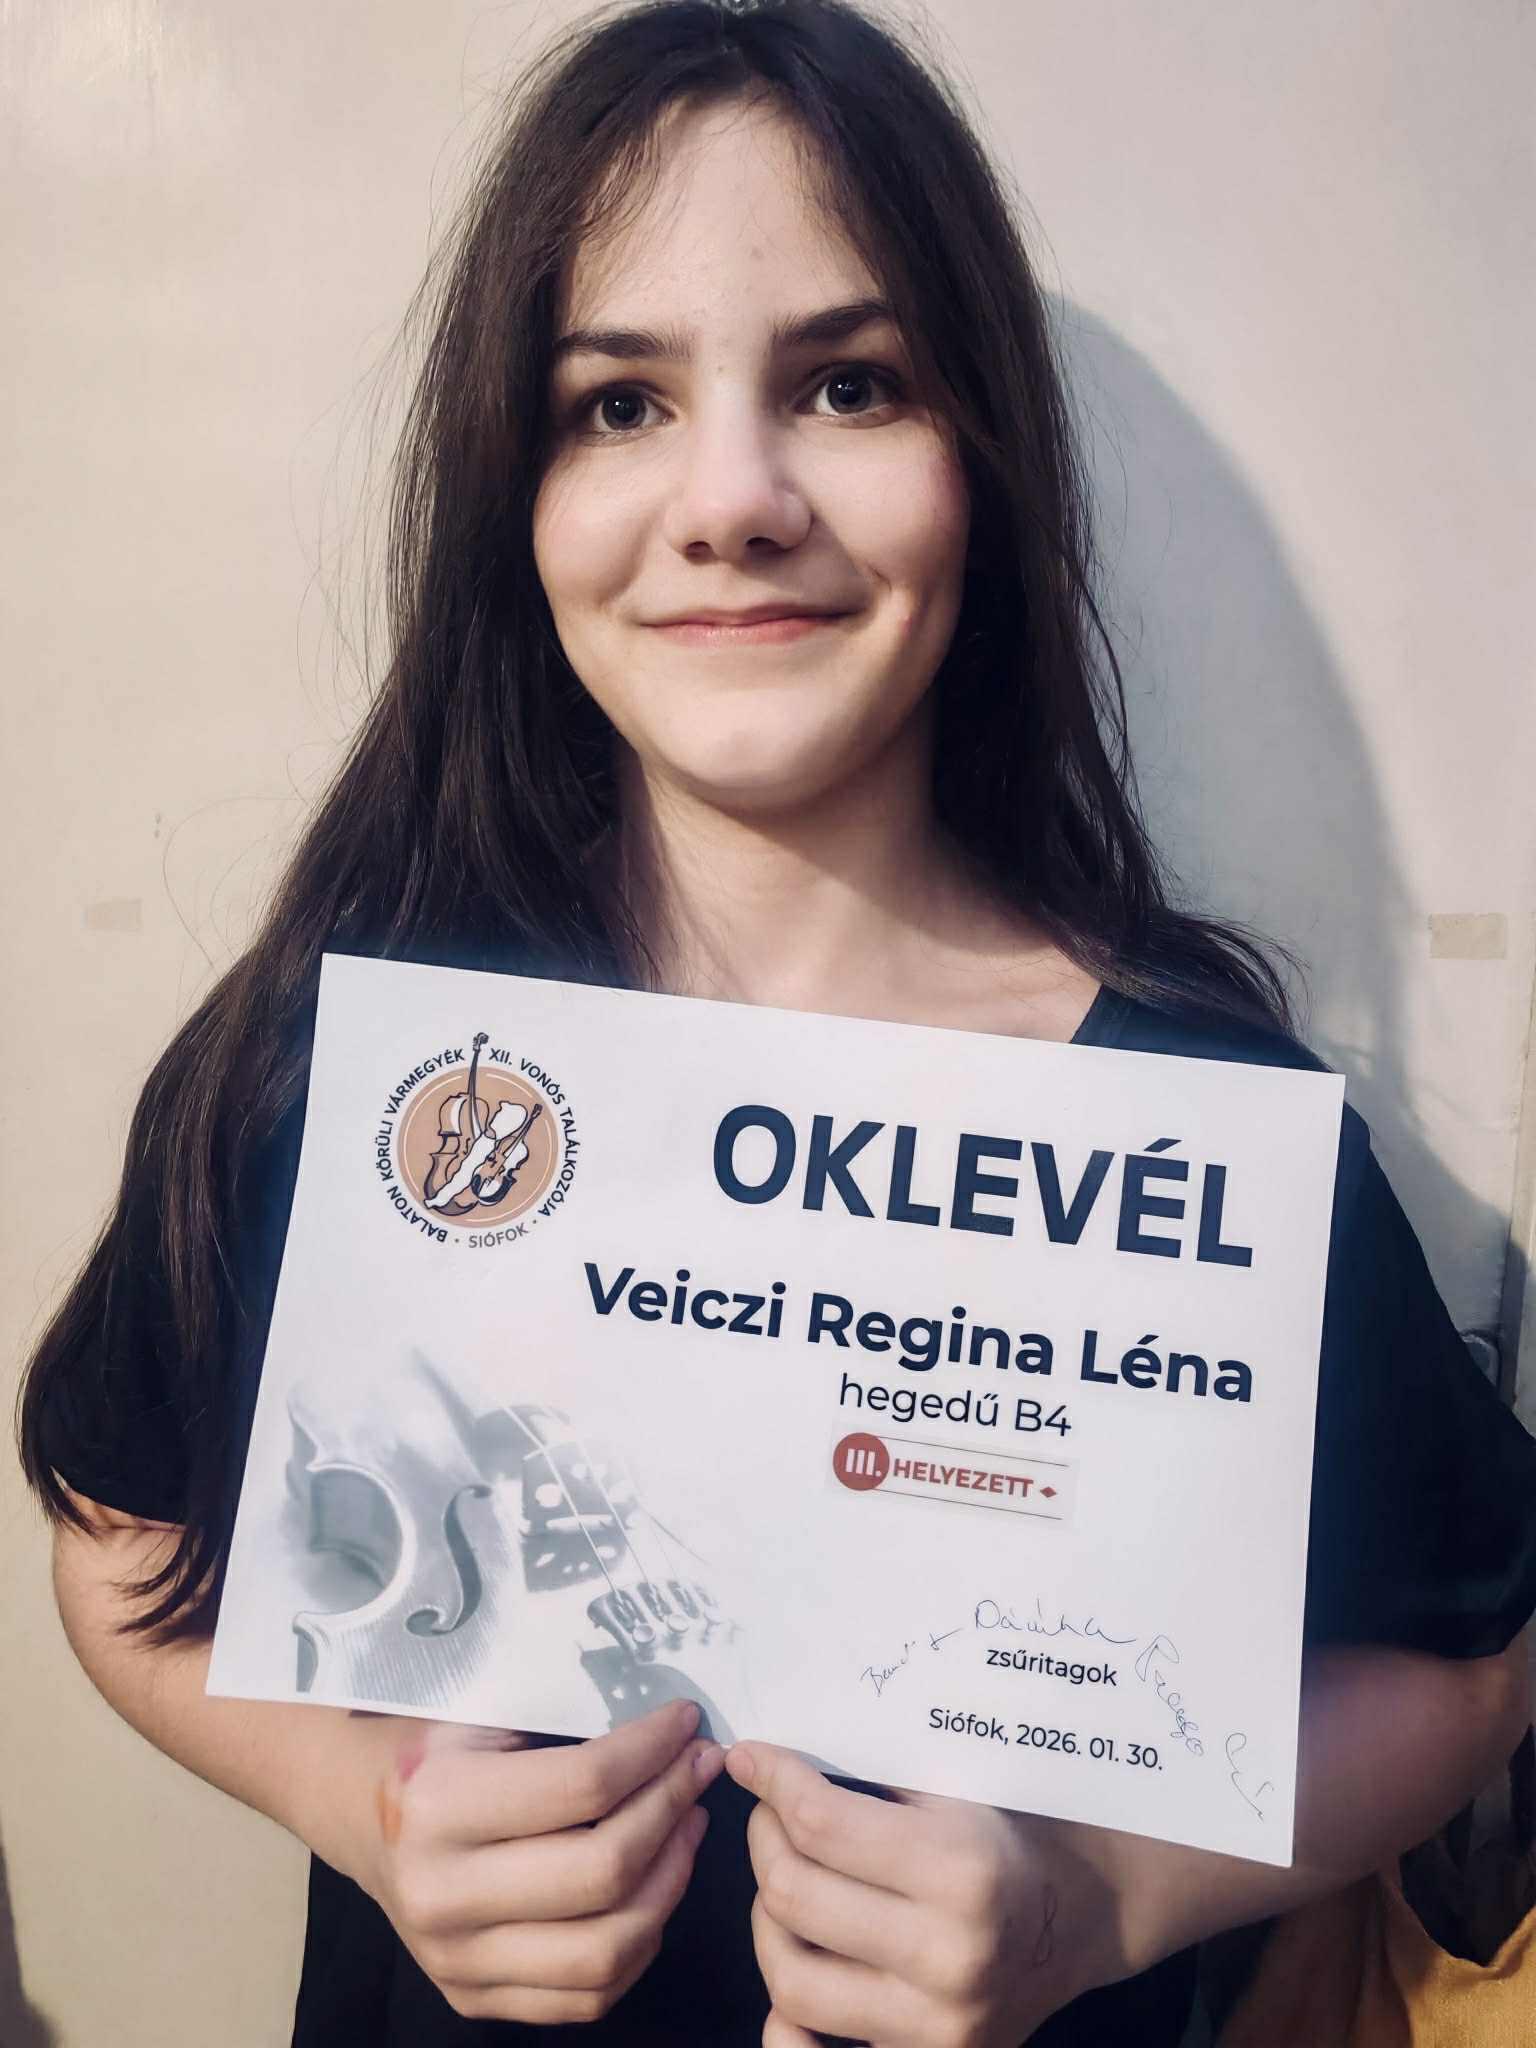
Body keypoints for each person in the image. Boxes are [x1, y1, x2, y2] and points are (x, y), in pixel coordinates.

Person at [18, 2, 1536, 2043]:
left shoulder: (1206, 1128)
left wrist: (1099, 1897)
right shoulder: (357, 1073)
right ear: (515, 492)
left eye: (845, 383)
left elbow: (1469, 1667)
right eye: (617, 403)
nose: (731, 497)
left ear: (978, 459)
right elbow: (120, 1532)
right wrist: (362, 1810)